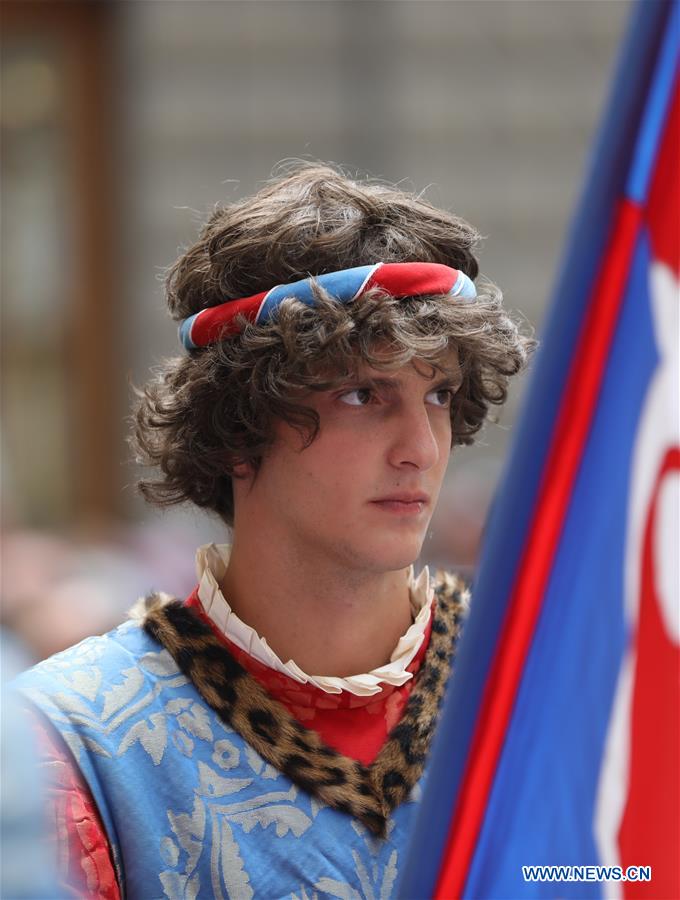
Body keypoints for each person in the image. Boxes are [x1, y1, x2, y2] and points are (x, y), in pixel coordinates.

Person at [15, 164, 531, 898]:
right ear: (236, 430)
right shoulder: (70, 743)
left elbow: (628, 872)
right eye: (363, 393)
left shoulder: (548, 689)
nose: (421, 445)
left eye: (440, 395)